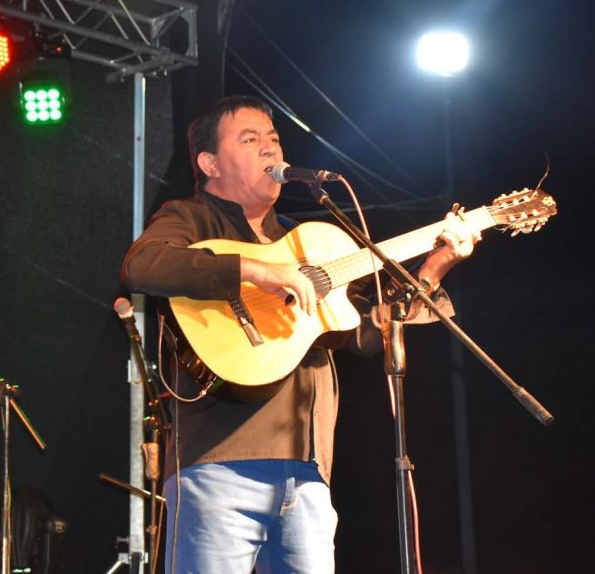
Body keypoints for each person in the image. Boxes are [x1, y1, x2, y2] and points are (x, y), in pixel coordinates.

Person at [121, 95, 480, 574]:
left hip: (309, 475)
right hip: (218, 467)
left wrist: (434, 266)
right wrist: (257, 273)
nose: (271, 149)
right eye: (250, 140)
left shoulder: (305, 240)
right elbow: (142, 266)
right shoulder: (189, 216)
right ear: (209, 163)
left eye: (273, 138)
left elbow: (366, 334)